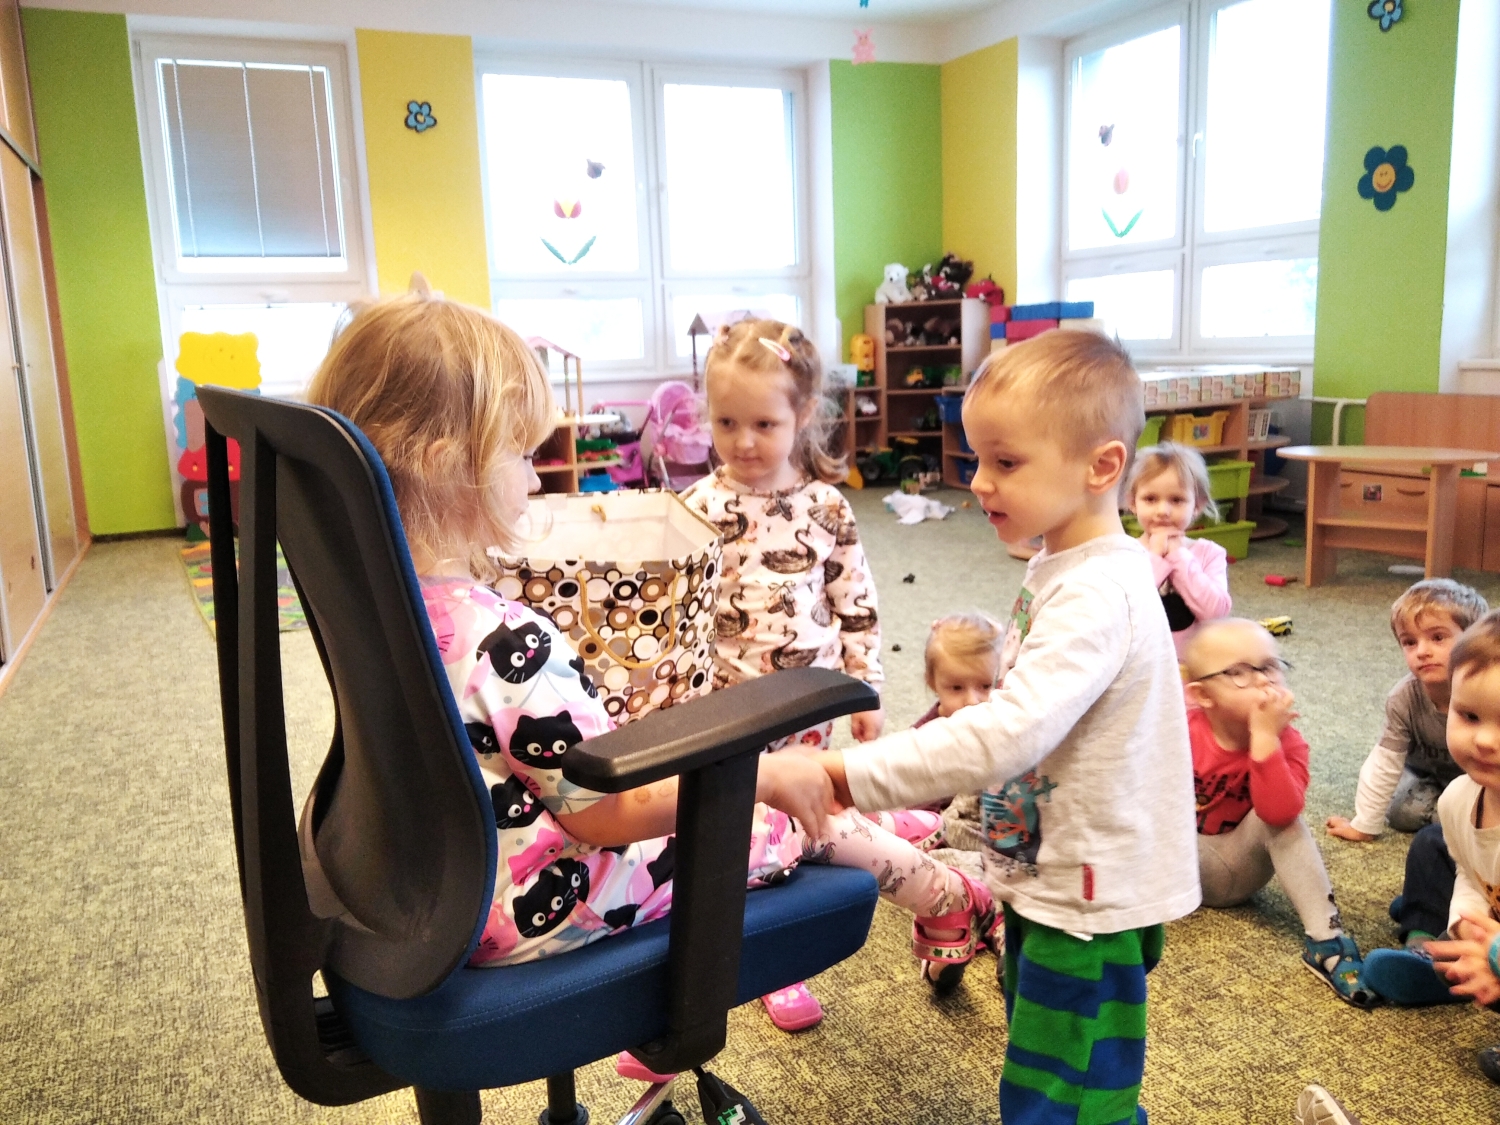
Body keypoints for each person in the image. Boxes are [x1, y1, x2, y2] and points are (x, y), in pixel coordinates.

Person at [304, 292, 994, 1068]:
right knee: (796, 809)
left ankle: (889, 827)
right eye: (522, 455)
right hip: (532, 902)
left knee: (772, 778)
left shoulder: (372, 597)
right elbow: (610, 812)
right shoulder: (502, 639)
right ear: (444, 463)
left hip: (423, 882)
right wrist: (767, 777)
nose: (533, 478)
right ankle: (948, 895)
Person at [812, 329, 1201, 1124]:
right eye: (979, 457)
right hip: (1049, 871)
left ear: (1101, 466)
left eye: (1007, 461)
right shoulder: (1063, 564)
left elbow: (1005, 732)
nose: (979, 480)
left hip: (1084, 897)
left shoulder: (1096, 593)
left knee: (1063, 1097)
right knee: (1052, 1060)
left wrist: (841, 774)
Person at [682, 318, 944, 1030]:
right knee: (759, 835)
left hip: (811, 700)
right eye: (726, 422)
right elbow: (682, 611)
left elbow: (856, 601)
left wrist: (867, 685)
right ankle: (779, 962)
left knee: (810, 811)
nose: (743, 441)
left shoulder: (827, 507)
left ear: (801, 416)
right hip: (730, 708)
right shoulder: (698, 508)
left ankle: (866, 824)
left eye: (763, 423)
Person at [1184, 618, 1375, 1008]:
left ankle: (1327, 940)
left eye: (1270, 666)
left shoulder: (1288, 743)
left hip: (1237, 868)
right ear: (1202, 695)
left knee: (1287, 822)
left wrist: (1265, 739)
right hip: (1176, 869)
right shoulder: (1178, 732)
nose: (1261, 680)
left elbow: (1278, 813)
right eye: (1238, 672)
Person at [1410, 610, 1500, 1084]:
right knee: (1429, 850)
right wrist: (1464, 925)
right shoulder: (1456, 799)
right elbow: (1470, 871)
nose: (1484, 740)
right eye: (1469, 716)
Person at [1327, 579, 1488, 842]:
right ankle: (1454, 815)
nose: (1422, 651)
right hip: (1428, 777)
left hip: (1483, 778)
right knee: (1401, 812)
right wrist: (1364, 825)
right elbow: (1384, 762)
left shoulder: (1488, 690)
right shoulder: (1403, 698)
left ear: (1473, 641)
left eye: (1438, 638)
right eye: (1410, 642)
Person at [1125, 442, 1232, 659]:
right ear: (1133, 503)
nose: (1163, 511)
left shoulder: (1210, 554)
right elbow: (1123, 612)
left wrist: (1179, 557)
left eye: (1177, 500)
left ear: (1197, 505)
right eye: (1150, 499)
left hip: (1194, 665)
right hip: (1141, 666)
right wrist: (1154, 557)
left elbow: (1216, 614)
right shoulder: (1125, 552)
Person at [913, 613, 1006, 858]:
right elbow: (919, 808)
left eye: (985, 686)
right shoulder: (926, 737)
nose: (972, 701)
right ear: (932, 683)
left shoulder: (1006, 722)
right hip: (948, 830)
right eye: (956, 688)